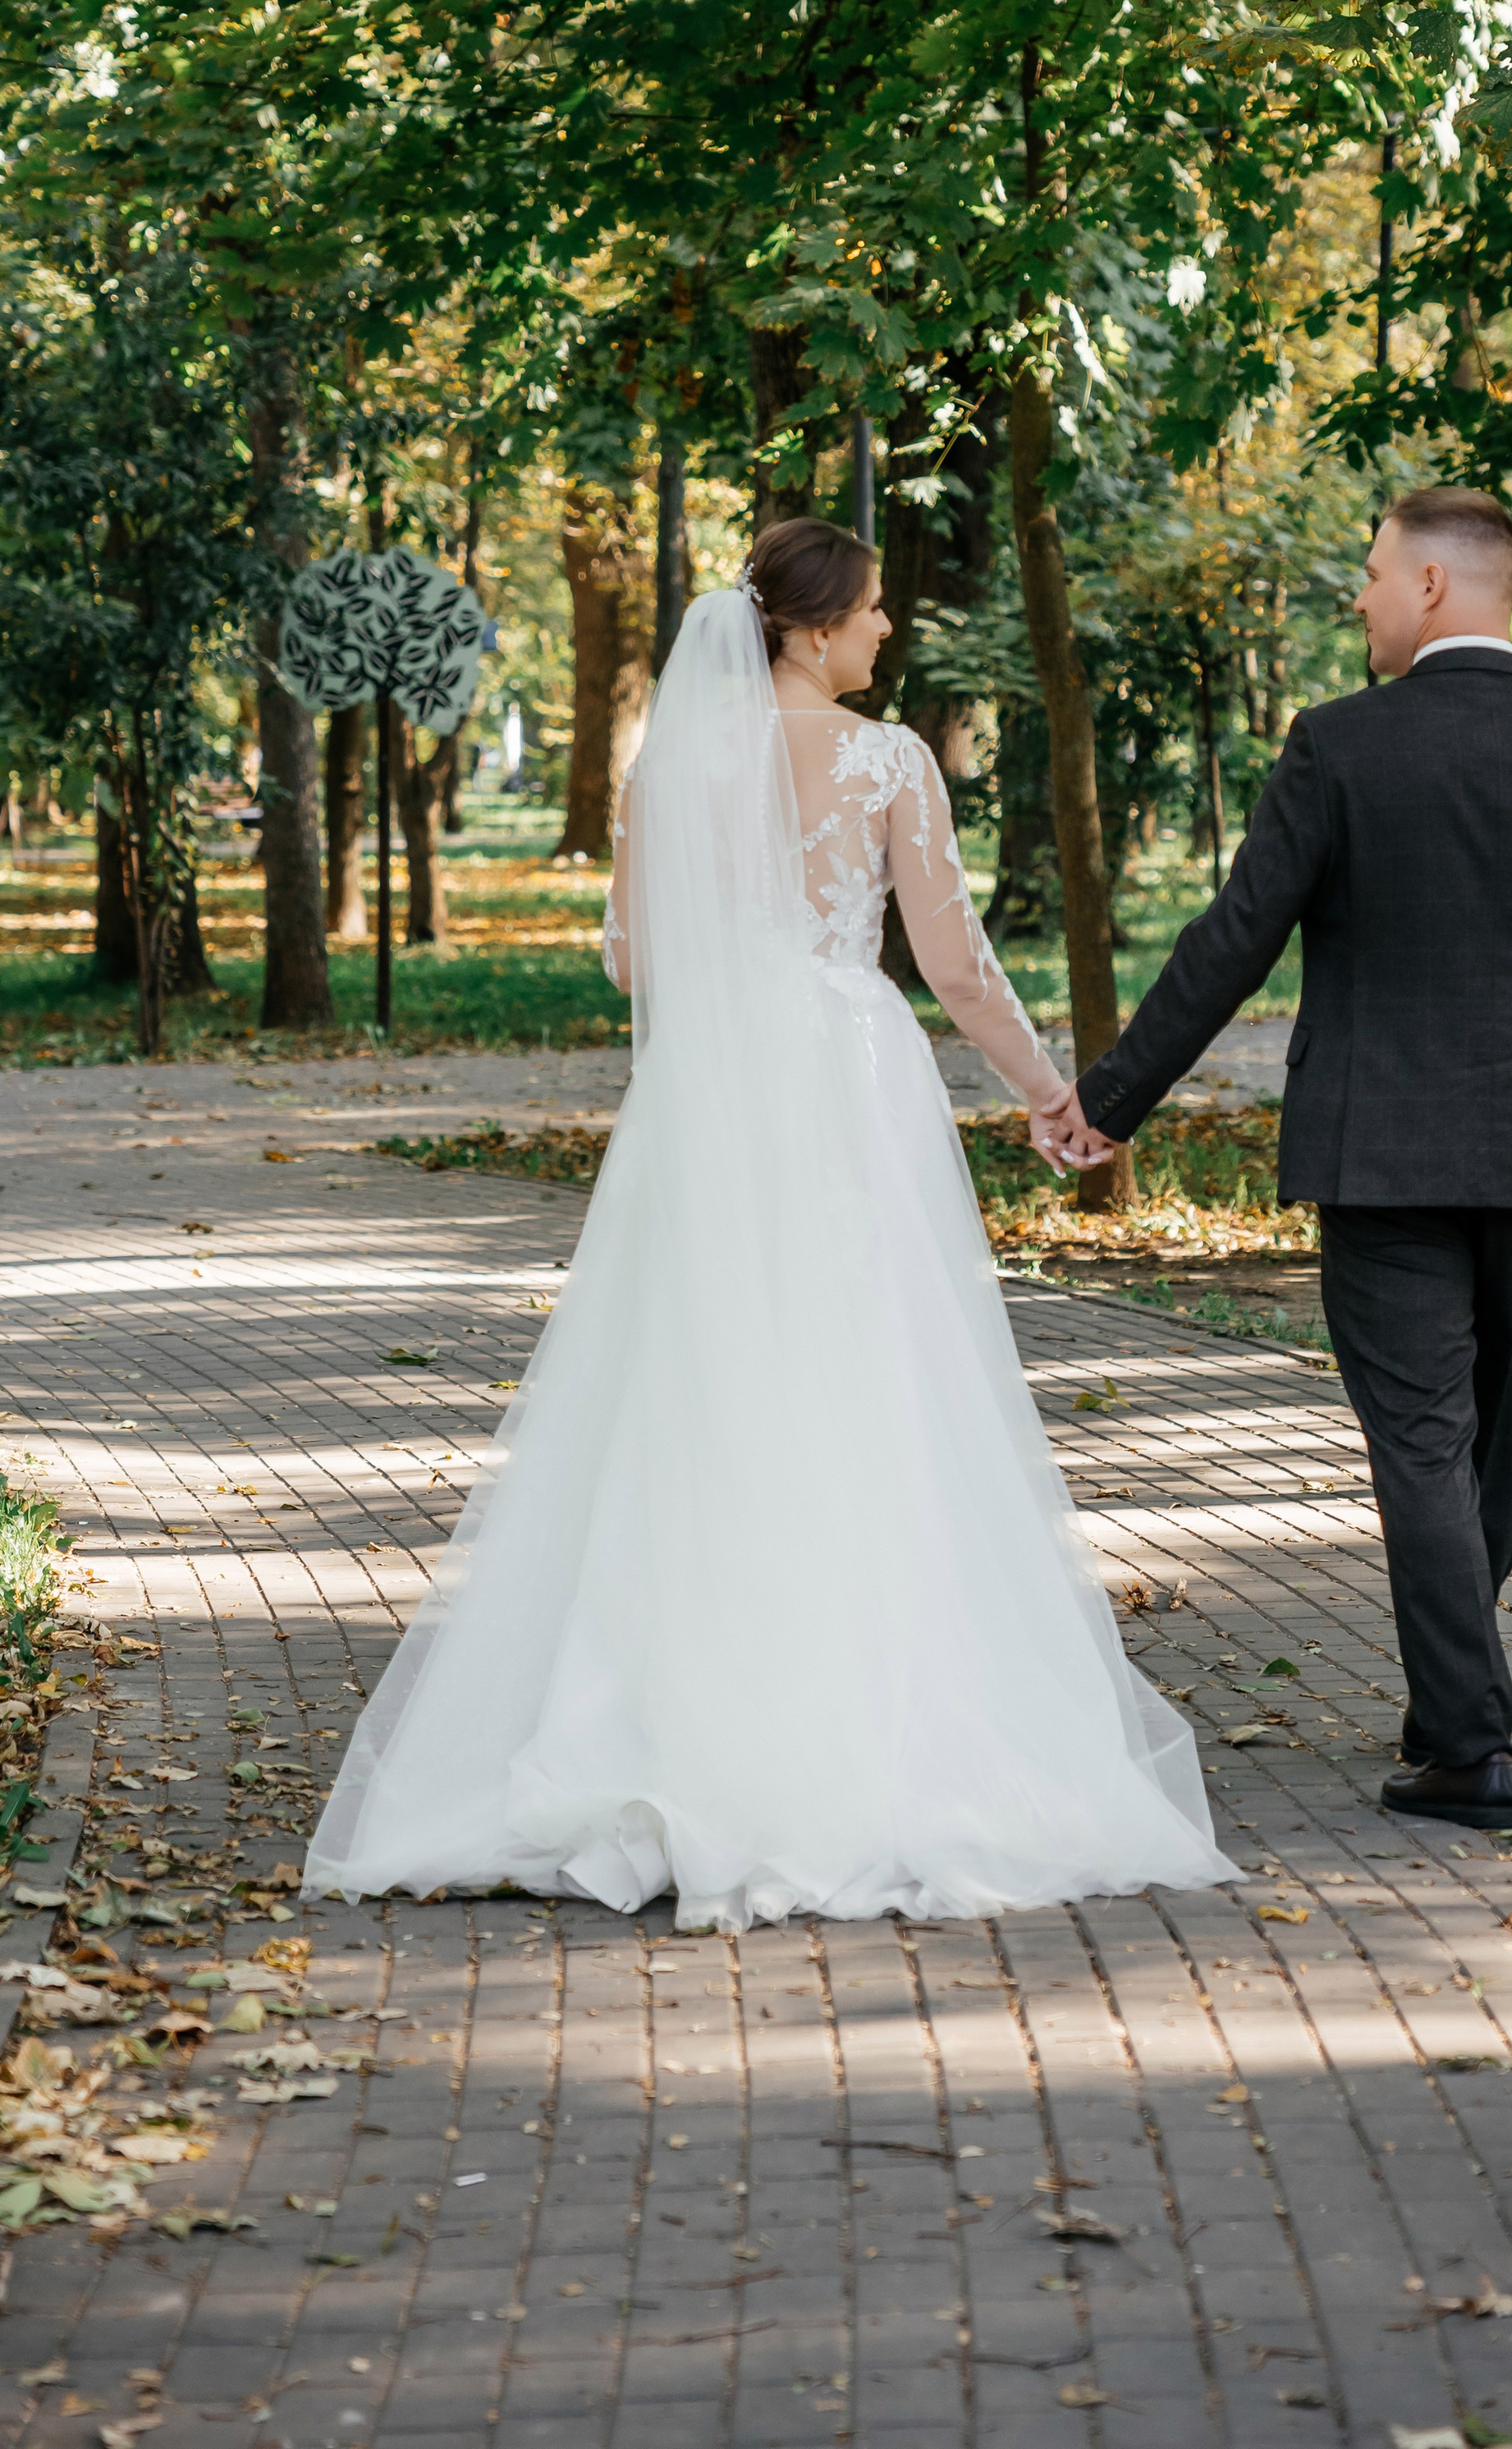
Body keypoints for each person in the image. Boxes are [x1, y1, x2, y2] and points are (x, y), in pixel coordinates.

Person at [306, 519, 1236, 1927]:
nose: (885, 636)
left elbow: (634, 957)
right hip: (847, 1092)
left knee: (698, 1390)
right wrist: (1055, 1093)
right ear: (811, 629)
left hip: (712, 1098)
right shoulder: (887, 762)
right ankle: (866, 1727)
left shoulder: (672, 764)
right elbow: (958, 966)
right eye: (870, 614)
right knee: (870, 1378)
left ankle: (662, 1724)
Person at [1035, 487, 1512, 1833]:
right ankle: (1453, 1709)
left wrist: (1111, 1101)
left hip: (1383, 1153)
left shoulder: (1339, 748)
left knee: (1421, 1444)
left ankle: (1470, 1748)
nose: (1362, 597)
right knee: (1484, 1444)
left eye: (1375, 574)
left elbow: (1234, 940)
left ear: (1439, 590)